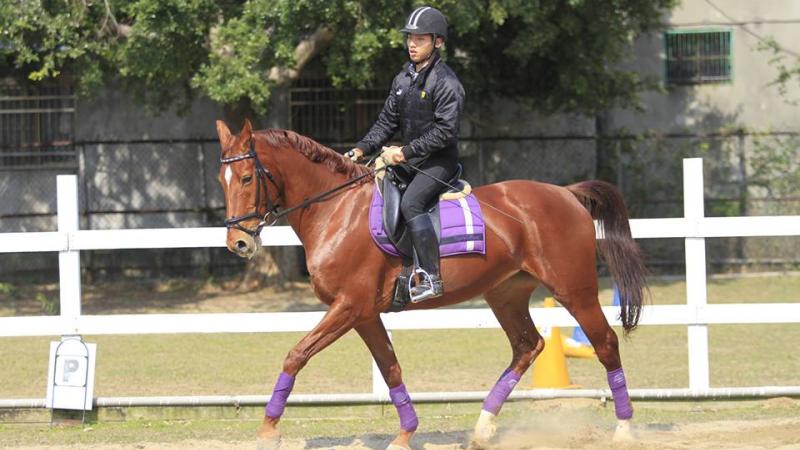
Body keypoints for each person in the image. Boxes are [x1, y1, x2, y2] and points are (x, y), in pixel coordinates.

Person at [347, 6, 465, 302]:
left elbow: (444, 132)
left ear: (437, 42)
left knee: (412, 204)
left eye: (420, 39)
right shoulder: (403, 80)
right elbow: (387, 122)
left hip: (438, 162)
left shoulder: (447, 83)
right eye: (410, 38)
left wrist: (406, 152)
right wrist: (362, 148)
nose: (412, 44)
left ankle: (430, 276)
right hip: (410, 159)